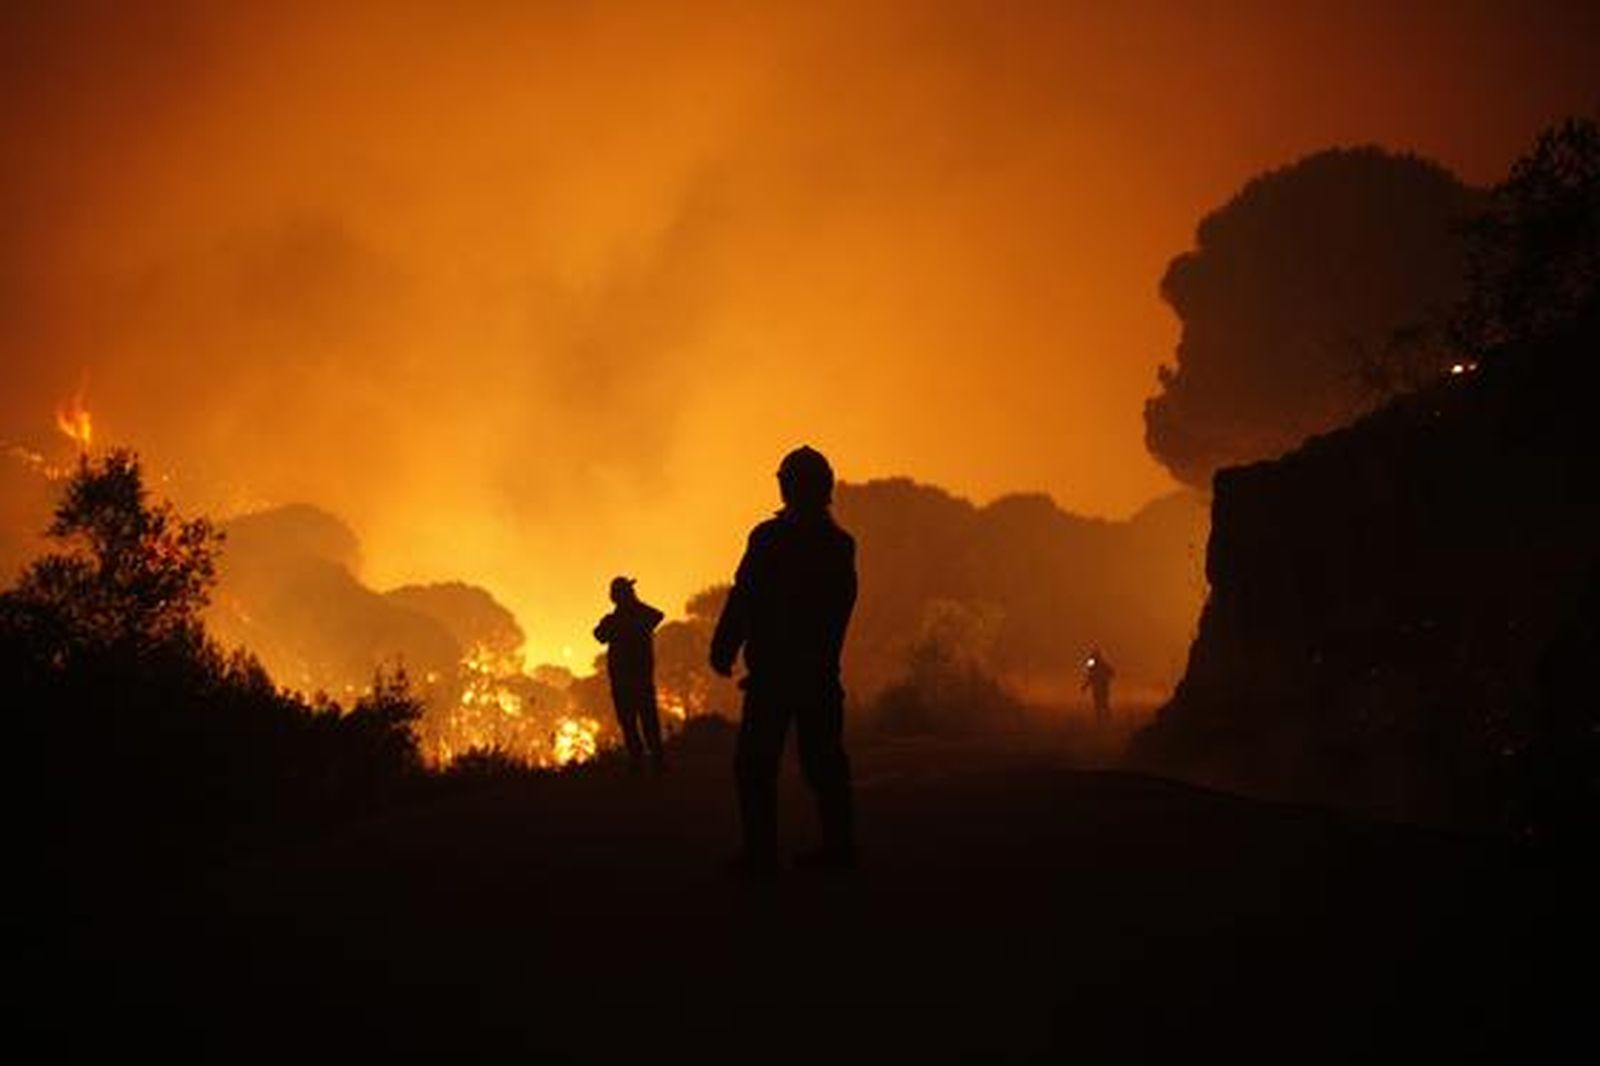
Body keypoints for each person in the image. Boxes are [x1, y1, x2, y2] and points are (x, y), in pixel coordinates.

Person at [711, 445, 859, 875]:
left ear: (787, 487)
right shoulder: (839, 545)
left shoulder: (769, 538)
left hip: (774, 676)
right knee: (824, 764)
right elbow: (838, 609)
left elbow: (744, 596)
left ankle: (761, 858)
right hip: (816, 675)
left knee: (755, 767)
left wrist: (725, 645)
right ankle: (839, 852)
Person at [594, 576, 666, 772]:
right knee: (639, 721)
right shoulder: (626, 618)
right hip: (634, 679)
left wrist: (626, 614)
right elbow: (599, 635)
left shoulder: (621, 619)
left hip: (628, 680)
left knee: (634, 722)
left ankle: (645, 762)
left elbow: (658, 615)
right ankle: (648, 762)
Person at [1083, 646, 1116, 729]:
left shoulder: (1103, 664)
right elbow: (1090, 676)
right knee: (1099, 704)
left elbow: (1111, 673)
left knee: (1104, 704)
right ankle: (1101, 720)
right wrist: (1085, 686)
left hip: (1103, 687)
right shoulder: (1094, 663)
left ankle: (1107, 719)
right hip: (1097, 687)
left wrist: (1105, 680)